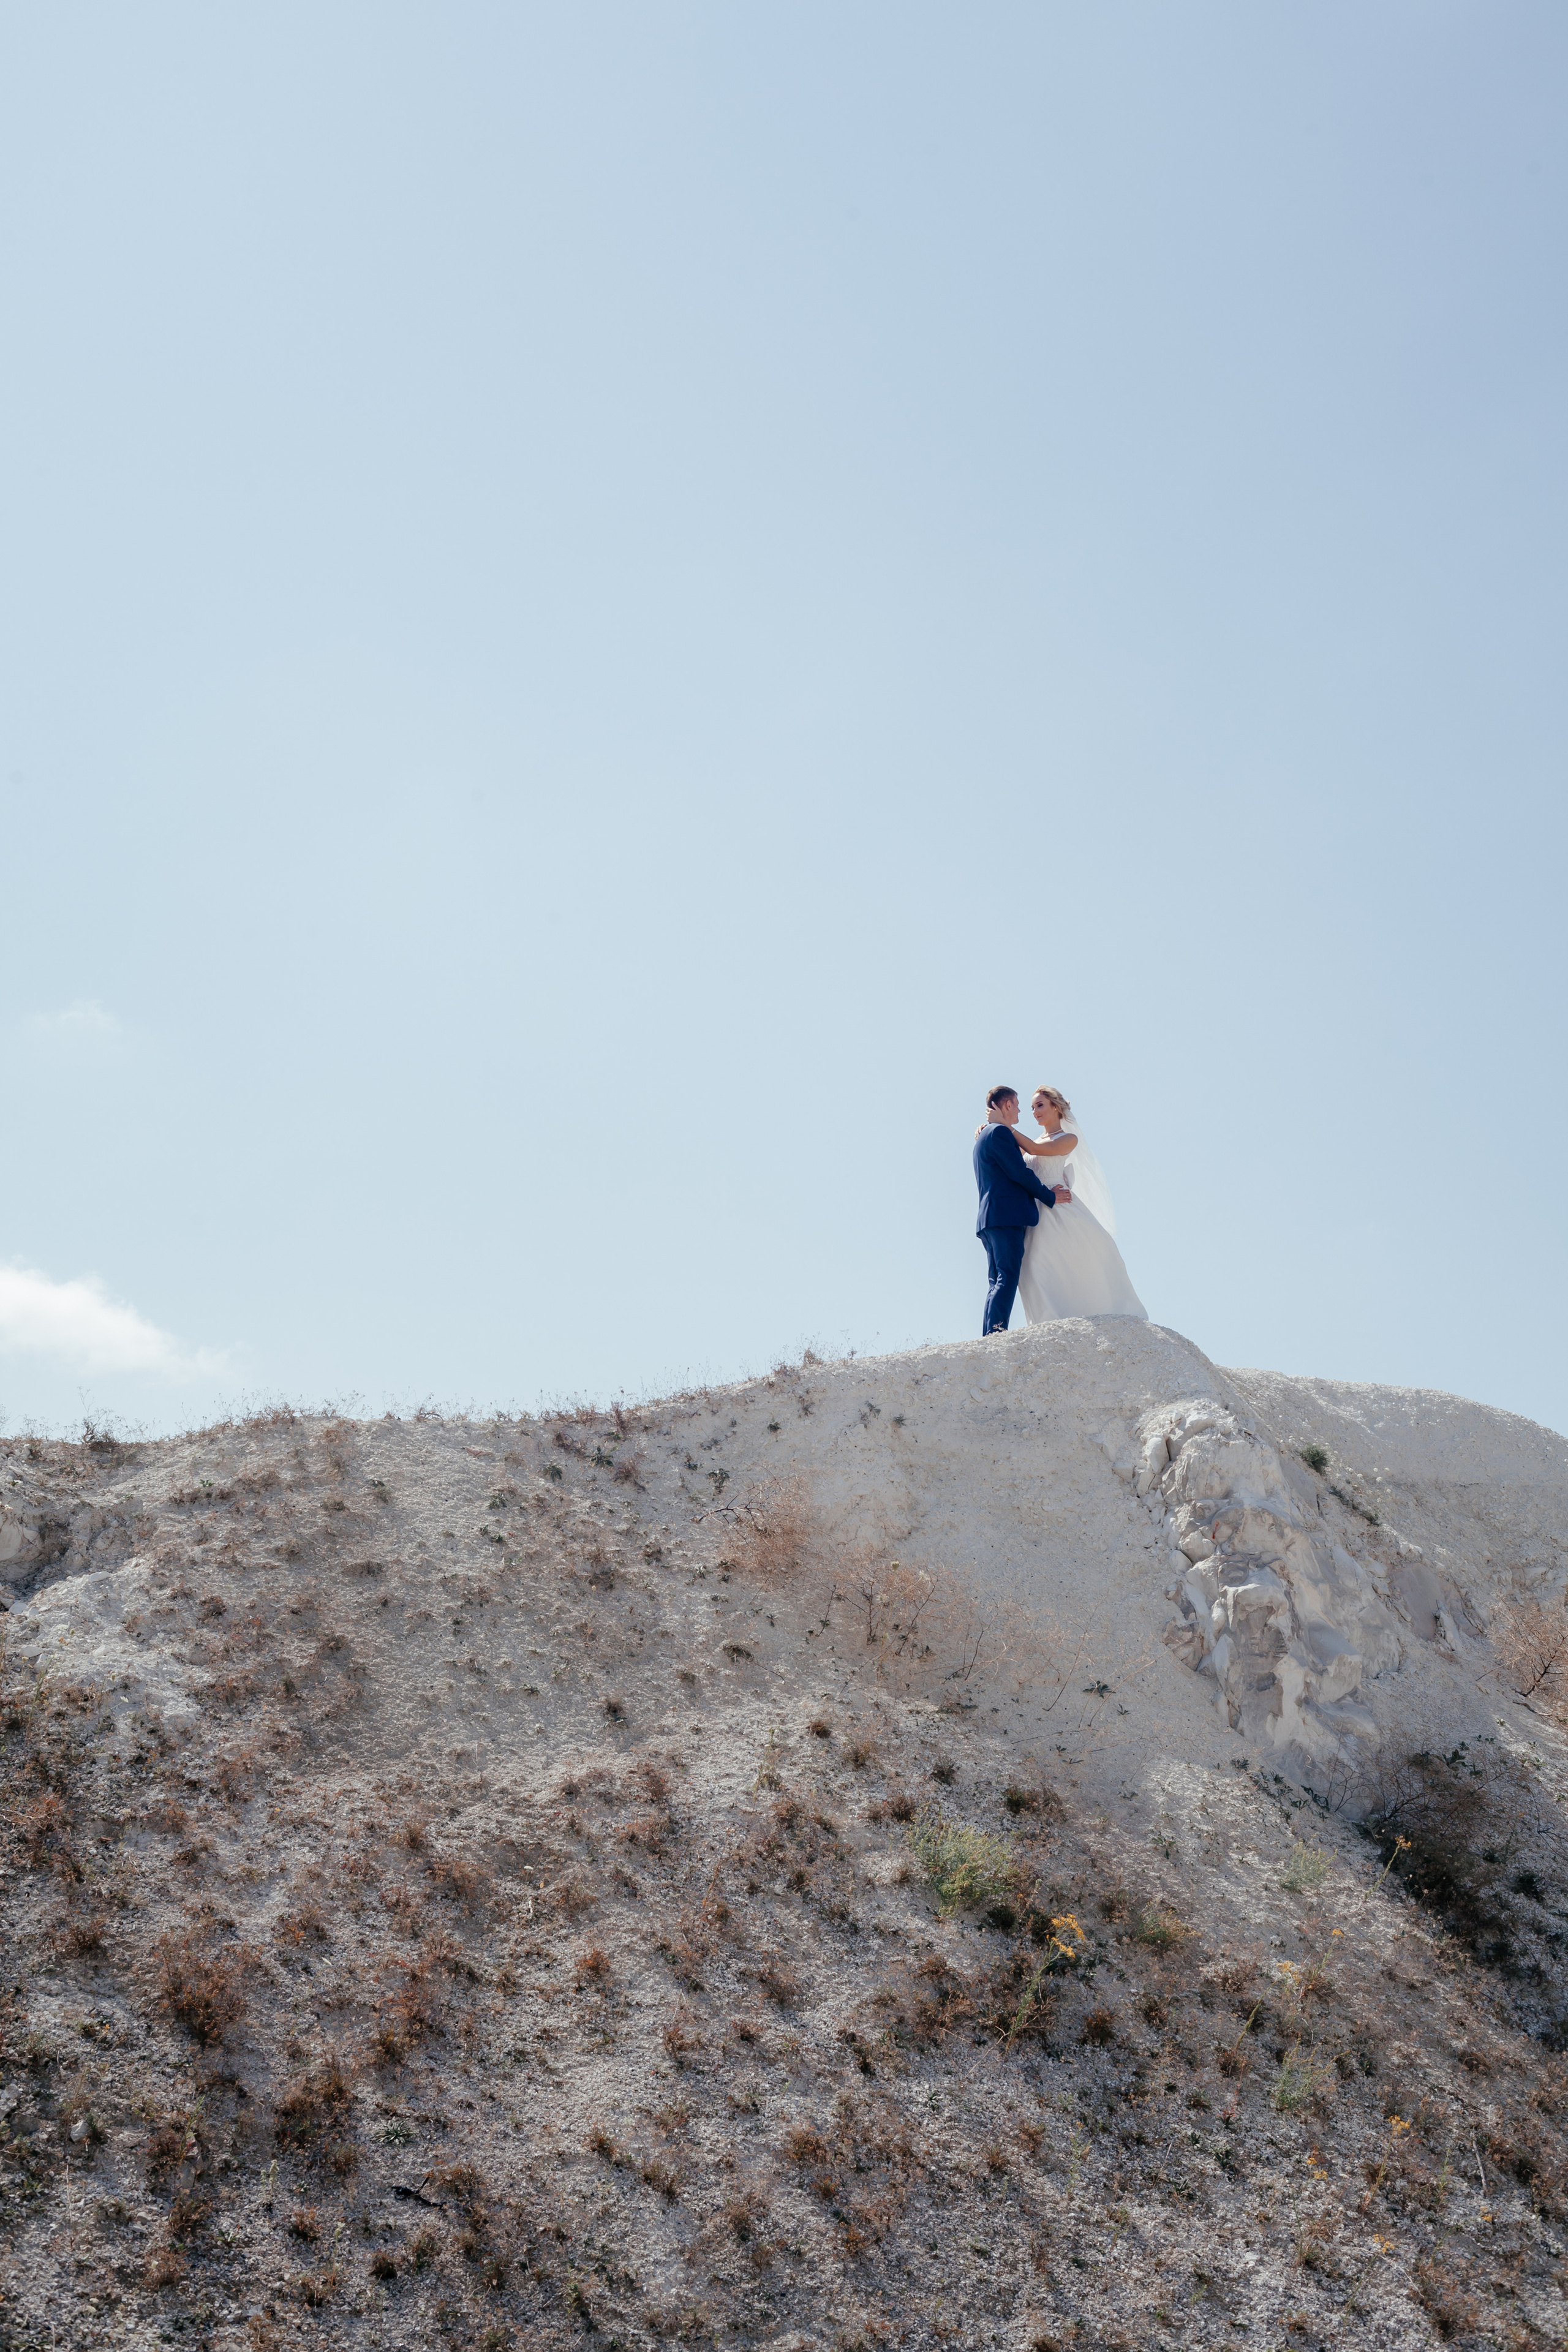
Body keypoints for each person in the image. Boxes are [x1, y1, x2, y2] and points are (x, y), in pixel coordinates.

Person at [1004, 1085, 1147, 1322]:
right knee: (1034, 1264)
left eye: (1040, 1105)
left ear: (1056, 1107)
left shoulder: (1069, 1139)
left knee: (1055, 1259)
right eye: (1031, 1108)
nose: (1034, 1111)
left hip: (1059, 1207)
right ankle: (1047, 1319)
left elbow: (1035, 1149)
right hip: (1036, 1208)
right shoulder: (1032, 1141)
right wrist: (991, 1129)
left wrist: (1004, 1126)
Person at [972, 1084, 1069, 1335]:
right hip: (1006, 1217)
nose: (1020, 1112)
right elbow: (1019, 1173)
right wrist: (1049, 1196)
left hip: (989, 1218)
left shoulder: (985, 1135)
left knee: (996, 1280)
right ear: (1006, 1105)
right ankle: (995, 1334)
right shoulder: (1000, 1133)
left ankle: (990, 1335)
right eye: (1016, 1105)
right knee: (1007, 1278)